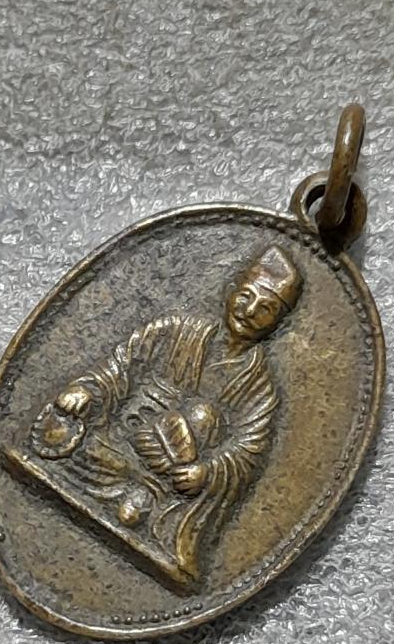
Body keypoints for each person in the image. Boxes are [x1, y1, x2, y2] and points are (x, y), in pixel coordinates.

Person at [30, 244, 302, 584]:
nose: (249, 311)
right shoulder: (175, 329)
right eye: (246, 297)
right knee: (68, 439)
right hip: (113, 444)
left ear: (278, 322)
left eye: (265, 309)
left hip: (167, 480)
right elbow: (122, 366)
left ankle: (143, 499)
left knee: (202, 416)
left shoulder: (259, 389)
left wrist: (206, 471)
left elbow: (247, 451)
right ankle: (117, 489)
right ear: (231, 291)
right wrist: (89, 390)